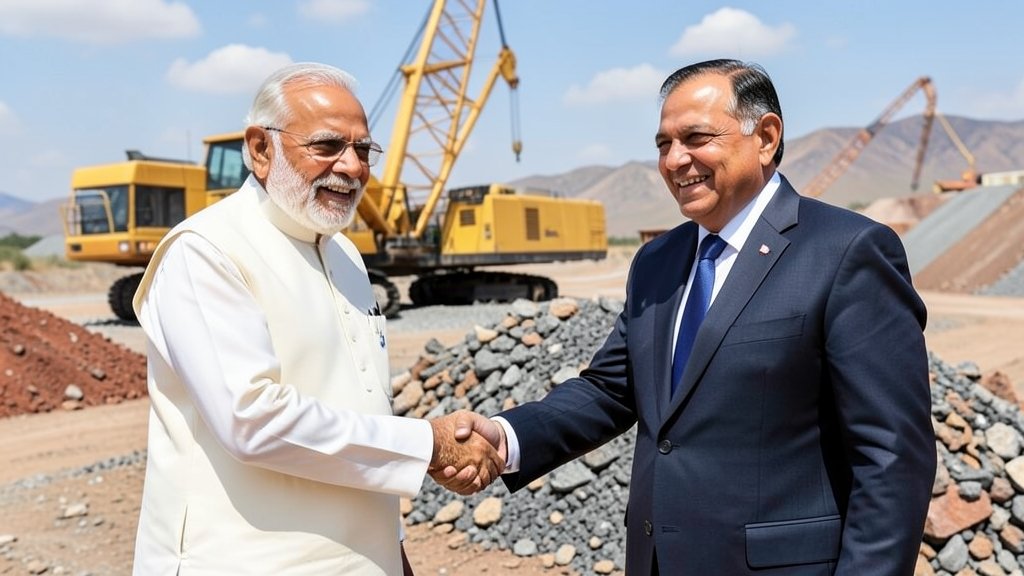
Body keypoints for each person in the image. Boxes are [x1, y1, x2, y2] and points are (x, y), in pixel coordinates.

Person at [445, 59, 935, 575]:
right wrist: (506, 437)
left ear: (766, 137)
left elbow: (893, 454)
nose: (675, 160)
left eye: (696, 138)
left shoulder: (845, 252)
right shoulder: (658, 263)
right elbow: (613, 389)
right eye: (663, 144)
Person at [129, 62, 502, 576]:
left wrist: (391, 547)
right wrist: (426, 445)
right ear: (261, 149)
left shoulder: (345, 254)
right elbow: (251, 419)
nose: (351, 167)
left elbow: (362, 402)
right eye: (327, 146)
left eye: (364, 150)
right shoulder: (205, 252)